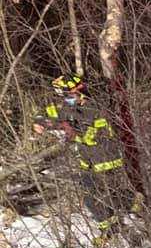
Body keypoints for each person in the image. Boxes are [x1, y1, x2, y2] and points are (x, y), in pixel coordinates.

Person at [35, 74, 132, 233]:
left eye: (79, 91)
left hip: (104, 159)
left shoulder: (95, 108)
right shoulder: (70, 106)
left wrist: (71, 132)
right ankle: (112, 228)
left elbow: (93, 136)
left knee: (106, 197)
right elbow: (50, 113)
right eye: (71, 94)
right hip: (88, 162)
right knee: (95, 198)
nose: (78, 95)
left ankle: (138, 208)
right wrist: (39, 121)